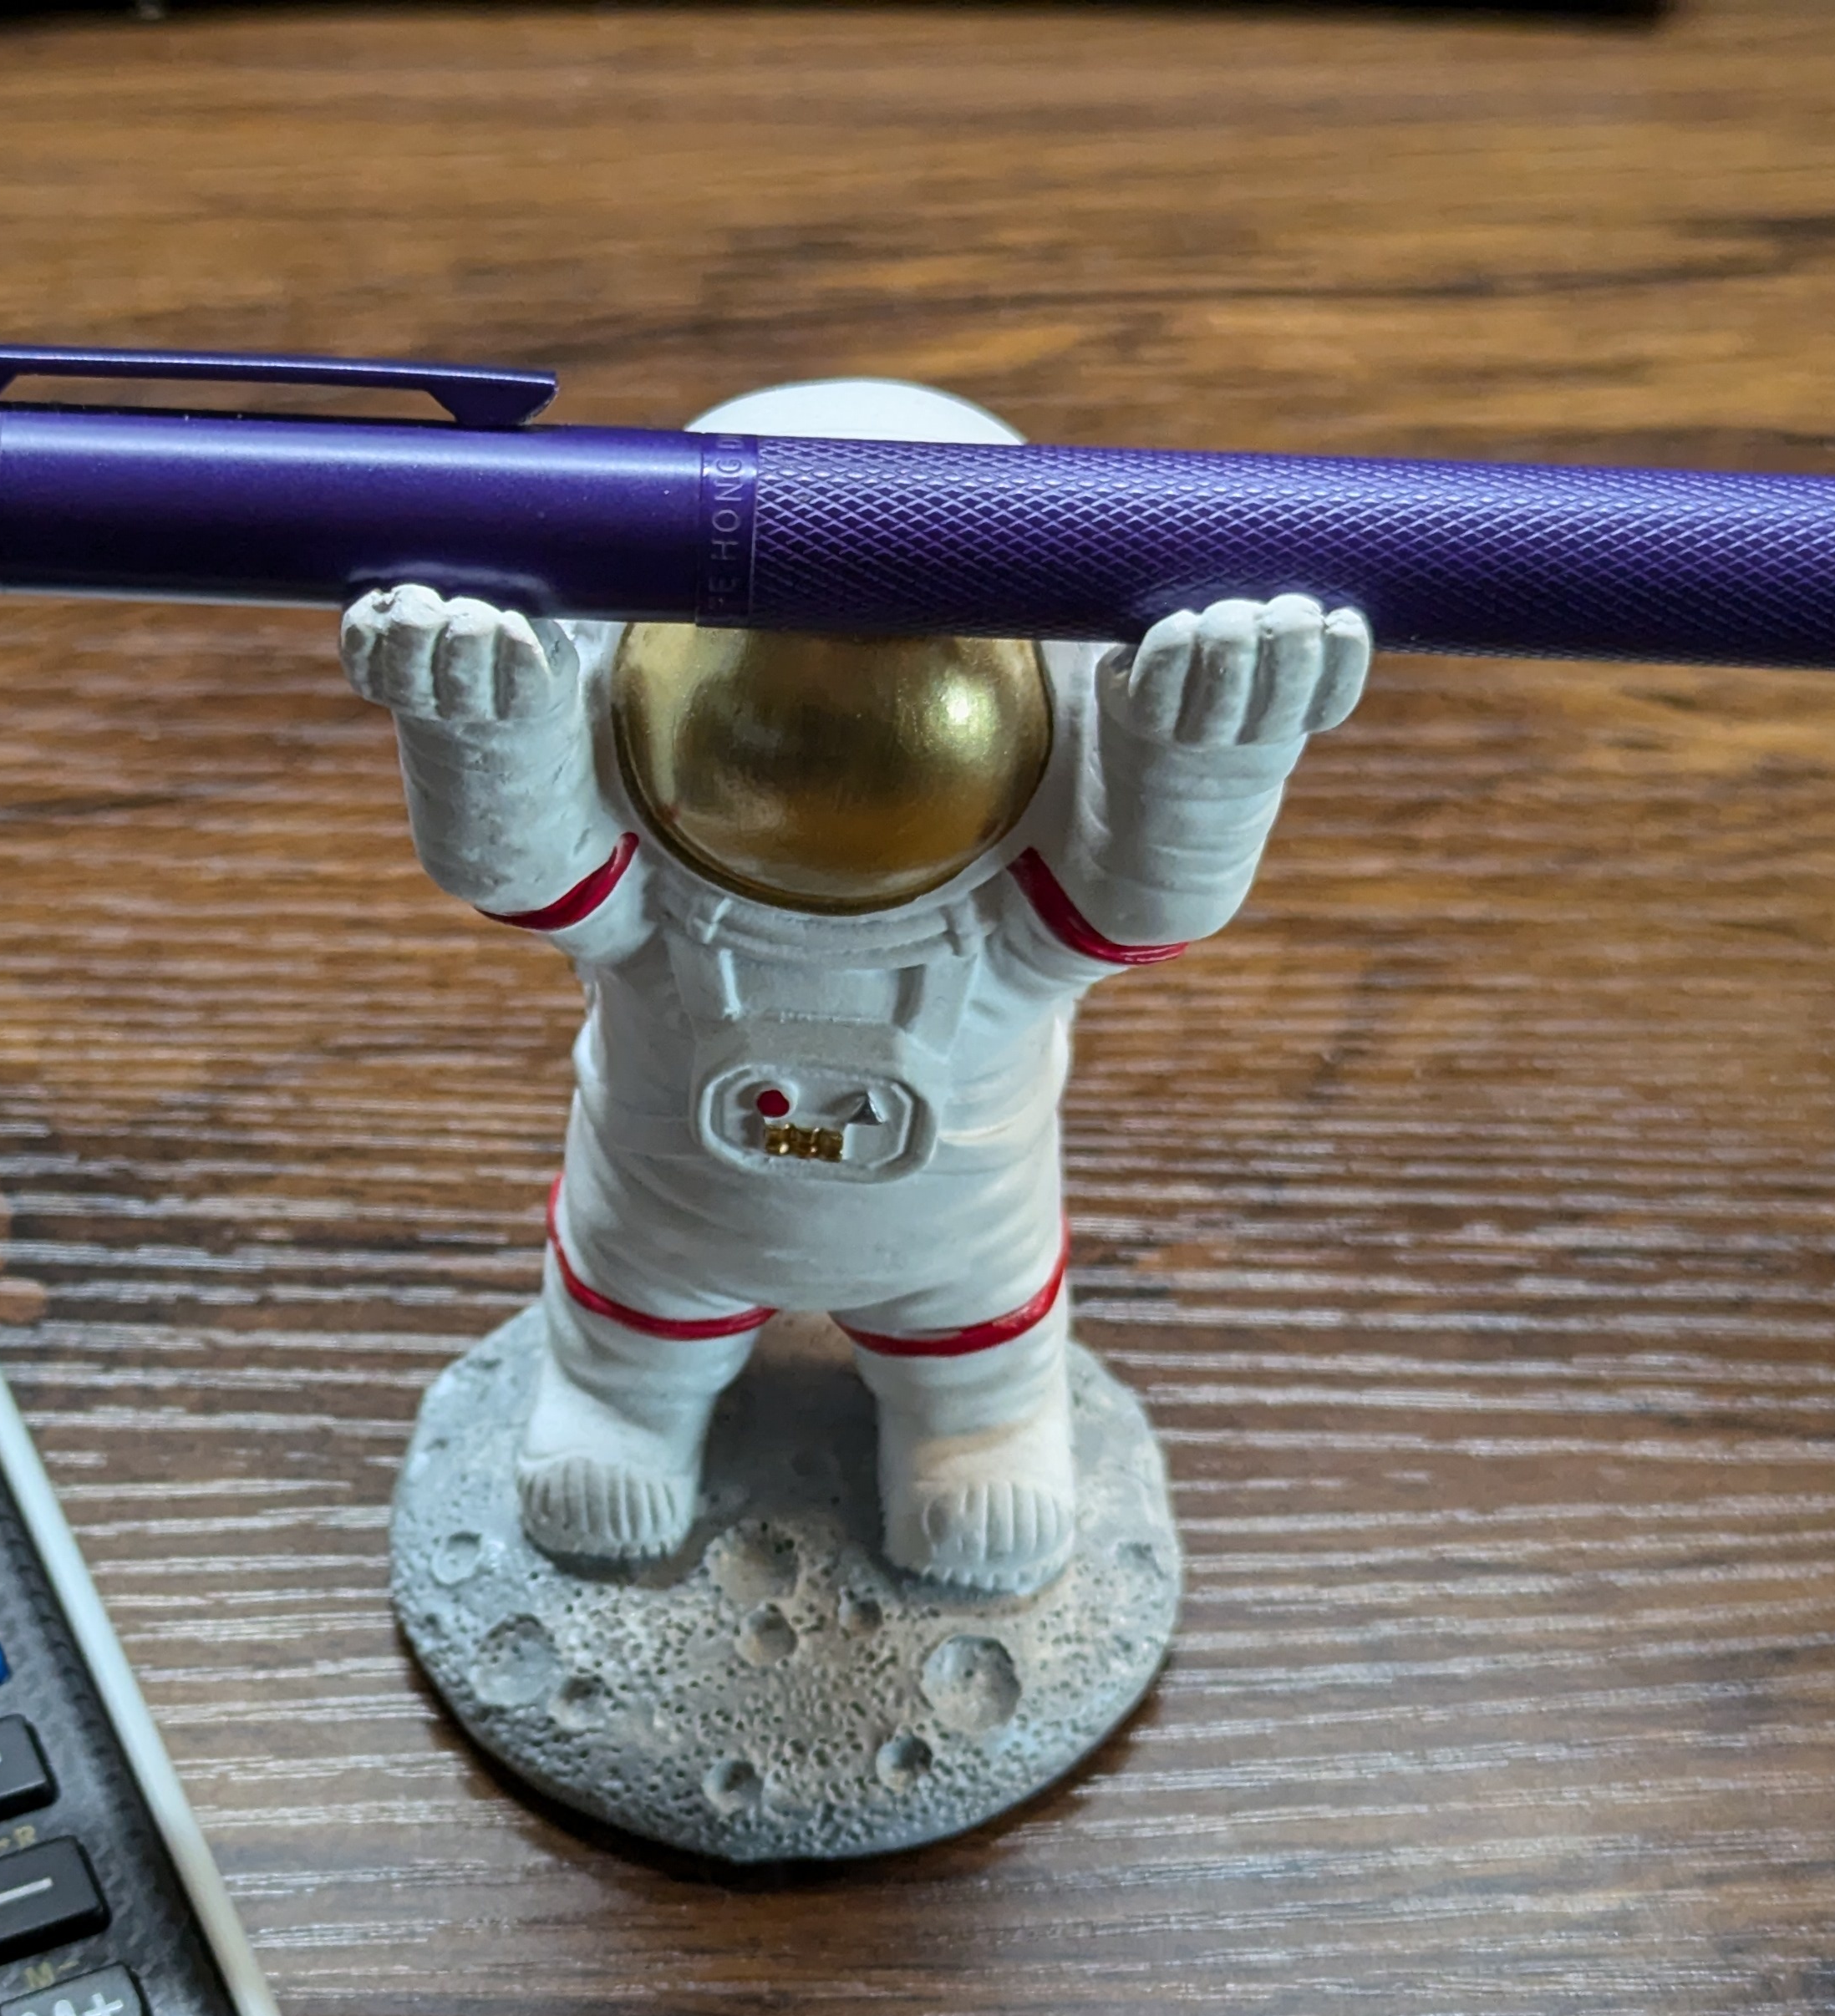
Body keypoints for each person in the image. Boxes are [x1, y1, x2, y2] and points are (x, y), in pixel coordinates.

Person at [345, 378, 1369, 1593]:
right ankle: (618, 1400)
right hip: (665, 1223)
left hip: (958, 1247)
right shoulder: (651, 878)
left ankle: (978, 1422)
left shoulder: (1019, 886)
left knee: (978, 1353)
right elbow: (526, 873)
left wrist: (1205, 758)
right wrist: (488, 722)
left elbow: (1142, 907)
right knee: (633, 1316)